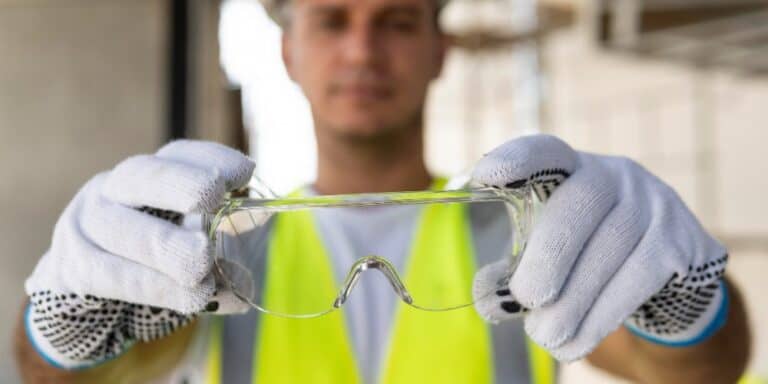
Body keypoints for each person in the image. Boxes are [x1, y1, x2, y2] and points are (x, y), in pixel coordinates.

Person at [15, 0, 750, 383]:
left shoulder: (529, 234)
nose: (363, 49)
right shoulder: (212, 247)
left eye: (395, 21)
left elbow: (698, 372)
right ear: (288, 52)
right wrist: (63, 332)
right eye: (333, 20)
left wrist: (684, 307)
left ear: (439, 50)